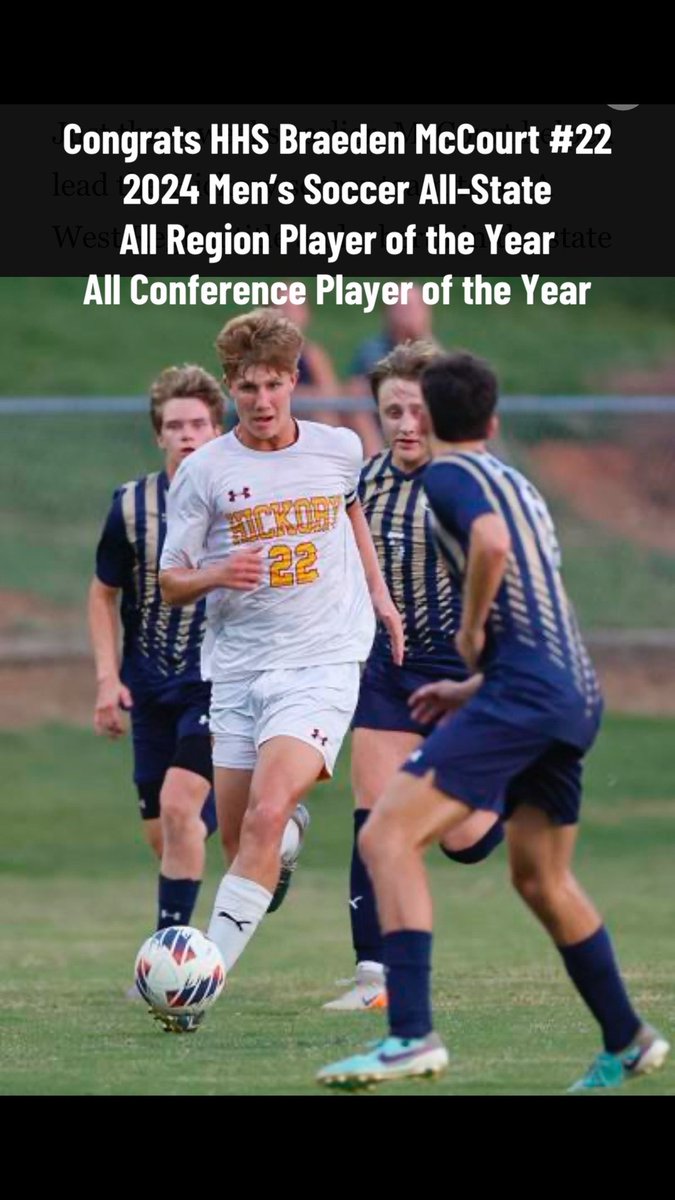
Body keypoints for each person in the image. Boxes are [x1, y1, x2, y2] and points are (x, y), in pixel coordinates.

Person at [318, 351, 670, 1092]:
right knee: (540, 878)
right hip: (570, 692)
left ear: (437, 421)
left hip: (522, 693)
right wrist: (472, 685)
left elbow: (490, 547)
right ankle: (628, 1038)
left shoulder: (447, 476)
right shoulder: (519, 483)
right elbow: (540, 602)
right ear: (493, 418)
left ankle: (409, 1035)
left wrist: (471, 635)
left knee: (385, 834)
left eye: (416, 411)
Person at [158, 308, 404, 1006]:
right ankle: (283, 845)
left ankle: (198, 985)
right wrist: (216, 573)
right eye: (246, 389)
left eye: (272, 385)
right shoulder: (204, 472)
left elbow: (351, 514)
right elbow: (171, 580)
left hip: (324, 659)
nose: (261, 402)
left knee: (263, 816)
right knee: (243, 837)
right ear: (229, 389)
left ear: (294, 380)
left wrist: (380, 599)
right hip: (236, 669)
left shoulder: (336, 449)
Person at [323, 341, 503, 1012]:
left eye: (415, 409)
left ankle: (503, 794)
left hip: (461, 672)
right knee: (372, 816)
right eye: (390, 410)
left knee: (465, 843)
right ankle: (373, 975)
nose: (403, 423)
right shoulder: (361, 486)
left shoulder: (467, 483)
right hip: (387, 668)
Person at [88, 365, 224, 982]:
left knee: (178, 808)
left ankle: (176, 969)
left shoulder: (240, 498)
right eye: (175, 425)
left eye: (198, 423)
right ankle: (269, 839)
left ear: (216, 428)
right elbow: (102, 594)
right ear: (158, 436)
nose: (187, 434)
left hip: (218, 679)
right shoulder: (132, 504)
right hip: (149, 684)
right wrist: (106, 679)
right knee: (165, 832)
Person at [345, 286, 437, 457]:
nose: (409, 314)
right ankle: (376, 460)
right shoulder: (373, 349)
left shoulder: (434, 351)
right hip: (381, 421)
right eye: (403, 307)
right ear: (388, 313)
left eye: (415, 307)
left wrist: (425, 338)